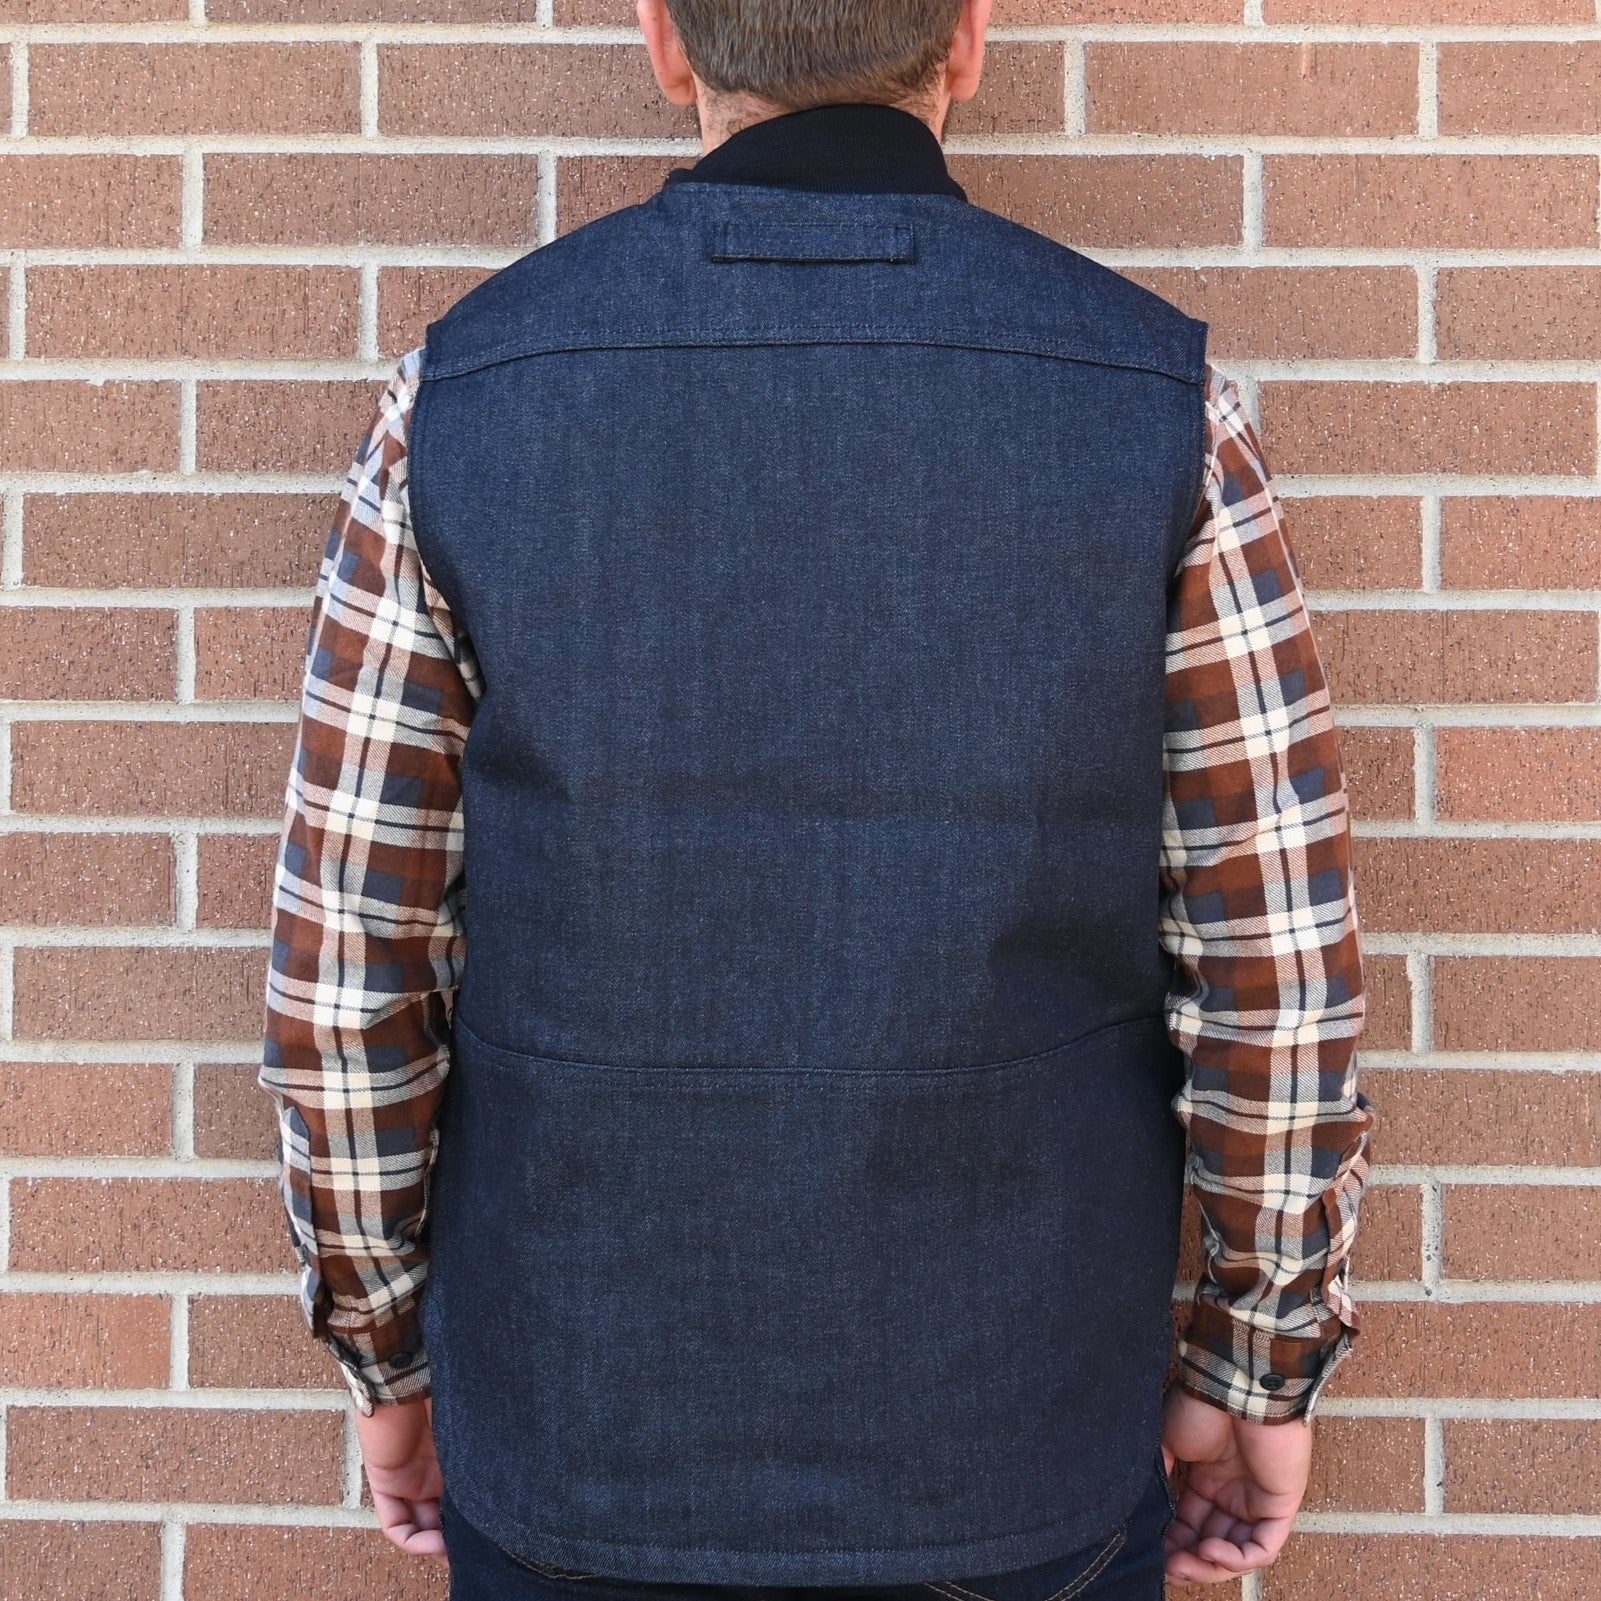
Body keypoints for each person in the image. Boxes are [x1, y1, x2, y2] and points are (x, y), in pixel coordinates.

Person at [257, 2, 1378, 1596]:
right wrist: (1257, 1359)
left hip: (583, 1422)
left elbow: (347, 967)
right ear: (968, 39)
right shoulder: (1154, 405)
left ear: (664, 39)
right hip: (1012, 1438)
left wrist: (385, 1354)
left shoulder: (465, 397)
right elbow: (1272, 964)